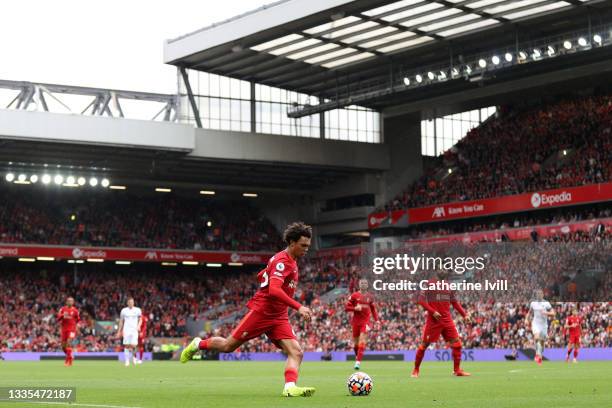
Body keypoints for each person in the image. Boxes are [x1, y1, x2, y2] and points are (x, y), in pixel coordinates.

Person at [180, 222, 316, 397]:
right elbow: (274, 290)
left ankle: (289, 387)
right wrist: (299, 307)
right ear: (291, 242)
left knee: (296, 352)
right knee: (228, 346)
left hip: (279, 316)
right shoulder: (283, 261)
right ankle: (198, 344)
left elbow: (264, 276)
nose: (306, 249)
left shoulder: (291, 260)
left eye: (308, 246)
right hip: (263, 312)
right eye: (303, 245)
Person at [412, 270, 471, 378]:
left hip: (447, 320)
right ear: (436, 271)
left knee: (457, 344)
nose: (443, 270)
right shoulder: (429, 284)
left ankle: (457, 370)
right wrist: (432, 311)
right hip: (433, 320)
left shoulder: (449, 286)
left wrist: (464, 315)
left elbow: (455, 303)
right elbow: (421, 300)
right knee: (424, 345)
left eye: (445, 268)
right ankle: (415, 370)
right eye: (441, 268)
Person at [345, 278, 379, 370]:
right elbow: (346, 307)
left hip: (366, 322)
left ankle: (358, 362)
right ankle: (357, 357)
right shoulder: (354, 295)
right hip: (356, 322)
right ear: (359, 285)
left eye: (365, 283)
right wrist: (355, 308)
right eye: (362, 283)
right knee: (356, 344)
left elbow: (373, 309)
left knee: (362, 340)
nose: (363, 284)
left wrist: (377, 320)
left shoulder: (370, 297)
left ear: (367, 285)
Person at [527, 289, 555, 365]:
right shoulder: (533, 303)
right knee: (536, 338)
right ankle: (538, 355)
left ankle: (539, 354)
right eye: (537, 294)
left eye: (540, 293)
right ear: (536, 295)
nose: (539, 295)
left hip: (544, 325)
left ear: (543, 295)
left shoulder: (546, 303)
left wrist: (545, 312)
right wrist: (526, 319)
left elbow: (553, 313)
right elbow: (529, 312)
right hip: (535, 323)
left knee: (542, 343)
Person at [116, 297, 142, 367]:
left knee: (134, 345)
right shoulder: (124, 310)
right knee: (127, 345)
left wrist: (139, 326)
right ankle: (127, 361)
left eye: (132, 302)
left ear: (134, 302)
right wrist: (119, 331)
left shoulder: (138, 310)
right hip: (126, 330)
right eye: (130, 302)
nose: (131, 303)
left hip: (134, 330)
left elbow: (140, 319)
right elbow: (121, 321)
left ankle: (134, 358)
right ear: (127, 303)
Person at [56, 296, 80, 366]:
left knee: (69, 343)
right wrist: (63, 315)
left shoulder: (75, 311)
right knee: (63, 347)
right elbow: (58, 319)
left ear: (73, 302)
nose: (70, 302)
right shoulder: (62, 309)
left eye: (71, 301)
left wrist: (76, 326)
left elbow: (78, 320)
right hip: (64, 330)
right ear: (66, 302)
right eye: (68, 301)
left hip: (72, 330)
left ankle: (68, 361)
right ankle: (70, 357)